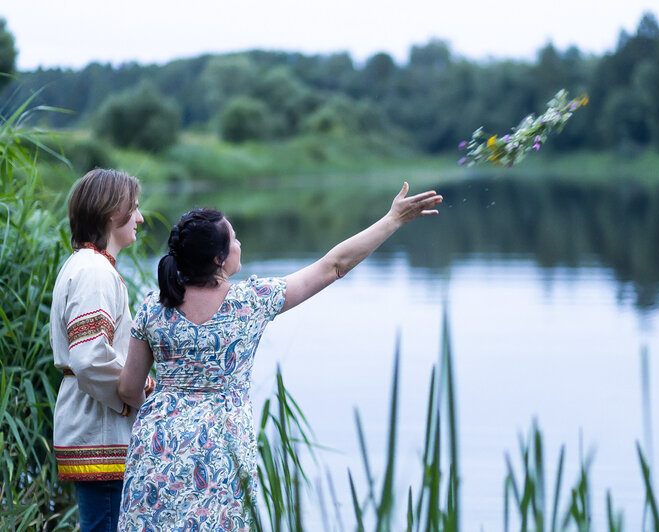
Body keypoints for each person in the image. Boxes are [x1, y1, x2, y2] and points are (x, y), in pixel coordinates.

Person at [116, 182, 442, 529]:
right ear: (218, 259)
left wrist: (168, 406)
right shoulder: (250, 302)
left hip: (158, 444)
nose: (240, 244)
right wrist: (392, 220)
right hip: (221, 450)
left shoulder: (154, 306)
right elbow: (334, 265)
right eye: (234, 239)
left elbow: (128, 389)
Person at [50, 168, 154, 532]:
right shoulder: (94, 271)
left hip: (94, 422)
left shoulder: (87, 265)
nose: (139, 217)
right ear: (114, 213)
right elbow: (88, 357)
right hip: (100, 427)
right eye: (135, 208)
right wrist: (135, 390)